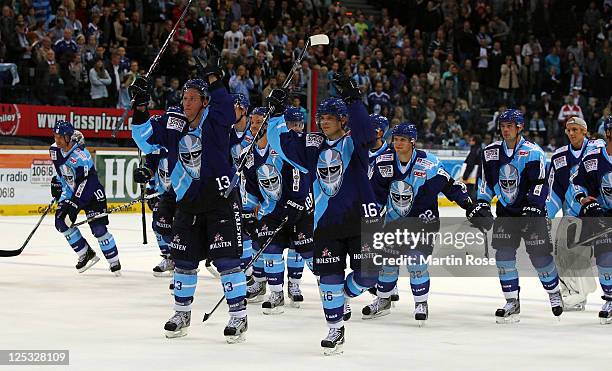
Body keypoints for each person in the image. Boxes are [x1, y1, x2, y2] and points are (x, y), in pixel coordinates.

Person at [129, 53, 248, 342]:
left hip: (220, 202)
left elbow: (223, 106)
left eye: (193, 98)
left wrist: (215, 78)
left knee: (227, 261)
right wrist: (141, 107)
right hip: (188, 204)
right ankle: (182, 312)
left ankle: (238, 317)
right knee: (183, 261)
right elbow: (143, 137)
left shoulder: (217, 121)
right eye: (184, 98)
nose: (186, 103)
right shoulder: (172, 122)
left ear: (205, 101)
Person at [266, 74, 378, 355]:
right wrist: (276, 114)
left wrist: (353, 99)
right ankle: (335, 328)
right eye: (320, 117)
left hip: (361, 221)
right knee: (328, 277)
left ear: (342, 120)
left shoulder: (355, 144)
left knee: (368, 276)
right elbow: (282, 142)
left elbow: (367, 130)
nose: (323, 122)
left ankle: (342, 295)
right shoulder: (312, 145)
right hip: (326, 225)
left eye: (329, 117)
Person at [362, 123, 491, 323]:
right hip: (395, 222)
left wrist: (469, 205)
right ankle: (383, 299)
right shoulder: (383, 163)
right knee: (388, 263)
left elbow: (451, 186)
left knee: (416, 261)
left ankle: (421, 303)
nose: (397, 143)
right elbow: (375, 196)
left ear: (412, 141)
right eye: (395, 139)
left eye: (403, 140)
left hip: (424, 222)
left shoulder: (428, 164)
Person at [477, 109, 563, 323]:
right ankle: (512, 301)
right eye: (503, 126)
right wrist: (482, 203)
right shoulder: (490, 152)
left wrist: (534, 206)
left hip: (531, 214)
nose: (505, 130)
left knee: (540, 257)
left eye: (509, 126)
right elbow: (486, 183)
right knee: (503, 256)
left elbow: (540, 184)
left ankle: (554, 292)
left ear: (520, 127)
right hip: (506, 214)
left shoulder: (533, 152)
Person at [240, 106, 315, 313]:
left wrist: (296, 201)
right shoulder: (248, 155)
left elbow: (299, 174)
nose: (255, 126)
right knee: (270, 250)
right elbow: (251, 187)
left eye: (260, 122)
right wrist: (248, 213)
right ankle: (276, 293)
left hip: (296, 209)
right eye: (253, 122)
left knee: (305, 251)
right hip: (270, 212)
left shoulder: (281, 147)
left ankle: (306, 285)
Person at [546, 117, 604, 311]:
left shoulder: (598, 150)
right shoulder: (559, 157)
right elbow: (555, 190)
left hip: (598, 214)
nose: (571, 133)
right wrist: (546, 214)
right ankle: (574, 295)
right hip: (571, 215)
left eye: (575, 130)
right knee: (562, 254)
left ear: (585, 131)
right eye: (568, 130)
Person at [50, 121, 121, 275]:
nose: (57, 140)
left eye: (60, 137)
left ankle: (114, 262)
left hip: (92, 194)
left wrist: (74, 206)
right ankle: (85, 253)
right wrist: (56, 182)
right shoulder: (54, 150)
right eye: (55, 136)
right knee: (61, 222)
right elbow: (60, 170)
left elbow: (87, 183)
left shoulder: (82, 156)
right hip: (70, 193)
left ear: (68, 137)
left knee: (99, 229)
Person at [572, 116, 612, 324]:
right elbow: (578, 183)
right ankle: (611, 299)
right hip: (603, 215)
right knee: (605, 257)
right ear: (607, 133)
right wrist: (584, 199)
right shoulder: (594, 159)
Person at [134, 146, 176, 277]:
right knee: (158, 225)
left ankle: (185, 258)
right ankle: (169, 257)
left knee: (185, 227)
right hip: (164, 194)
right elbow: (151, 165)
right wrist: (150, 186)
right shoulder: (156, 144)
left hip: (184, 193)